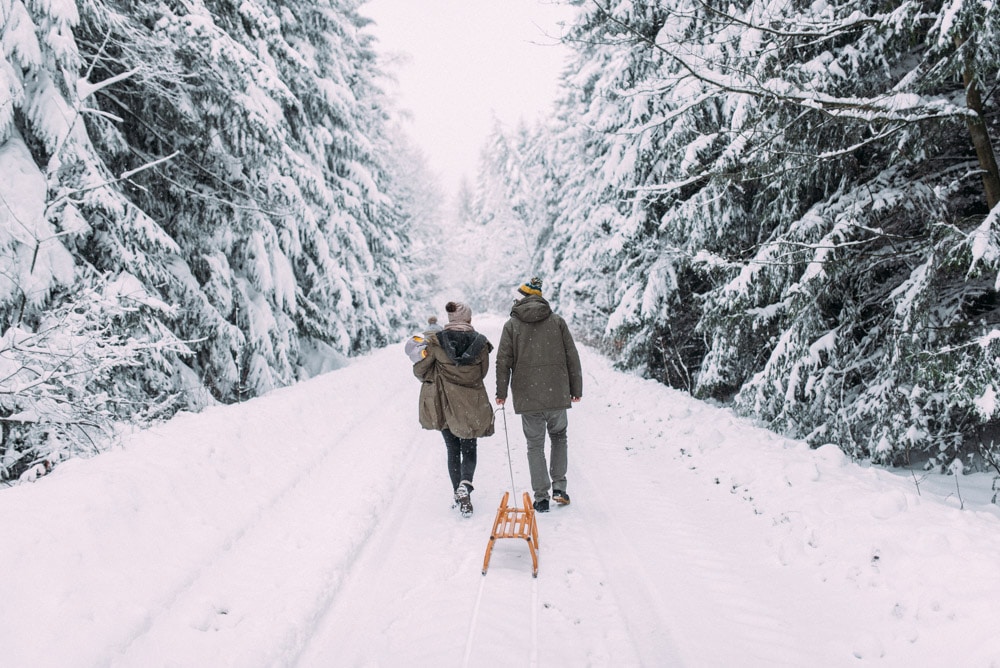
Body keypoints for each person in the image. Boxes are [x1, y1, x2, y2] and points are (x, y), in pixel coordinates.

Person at [495, 277, 582, 512]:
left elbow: (503, 361)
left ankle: (541, 497)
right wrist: (576, 389)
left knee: (535, 444)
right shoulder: (557, 322)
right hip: (556, 393)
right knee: (559, 436)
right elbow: (571, 356)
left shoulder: (512, 325)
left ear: (523, 298)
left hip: (527, 395)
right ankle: (560, 488)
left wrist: (501, 392)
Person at [411, 301, 494, 517]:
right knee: (469, 447)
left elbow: (421, 371)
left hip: (445, 403)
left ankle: (457, 493)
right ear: (468, 320)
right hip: (471, 404)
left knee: (452, 449)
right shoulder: (481, 343)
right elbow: (481, 373)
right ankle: (465, 485)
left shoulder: (436, 343)